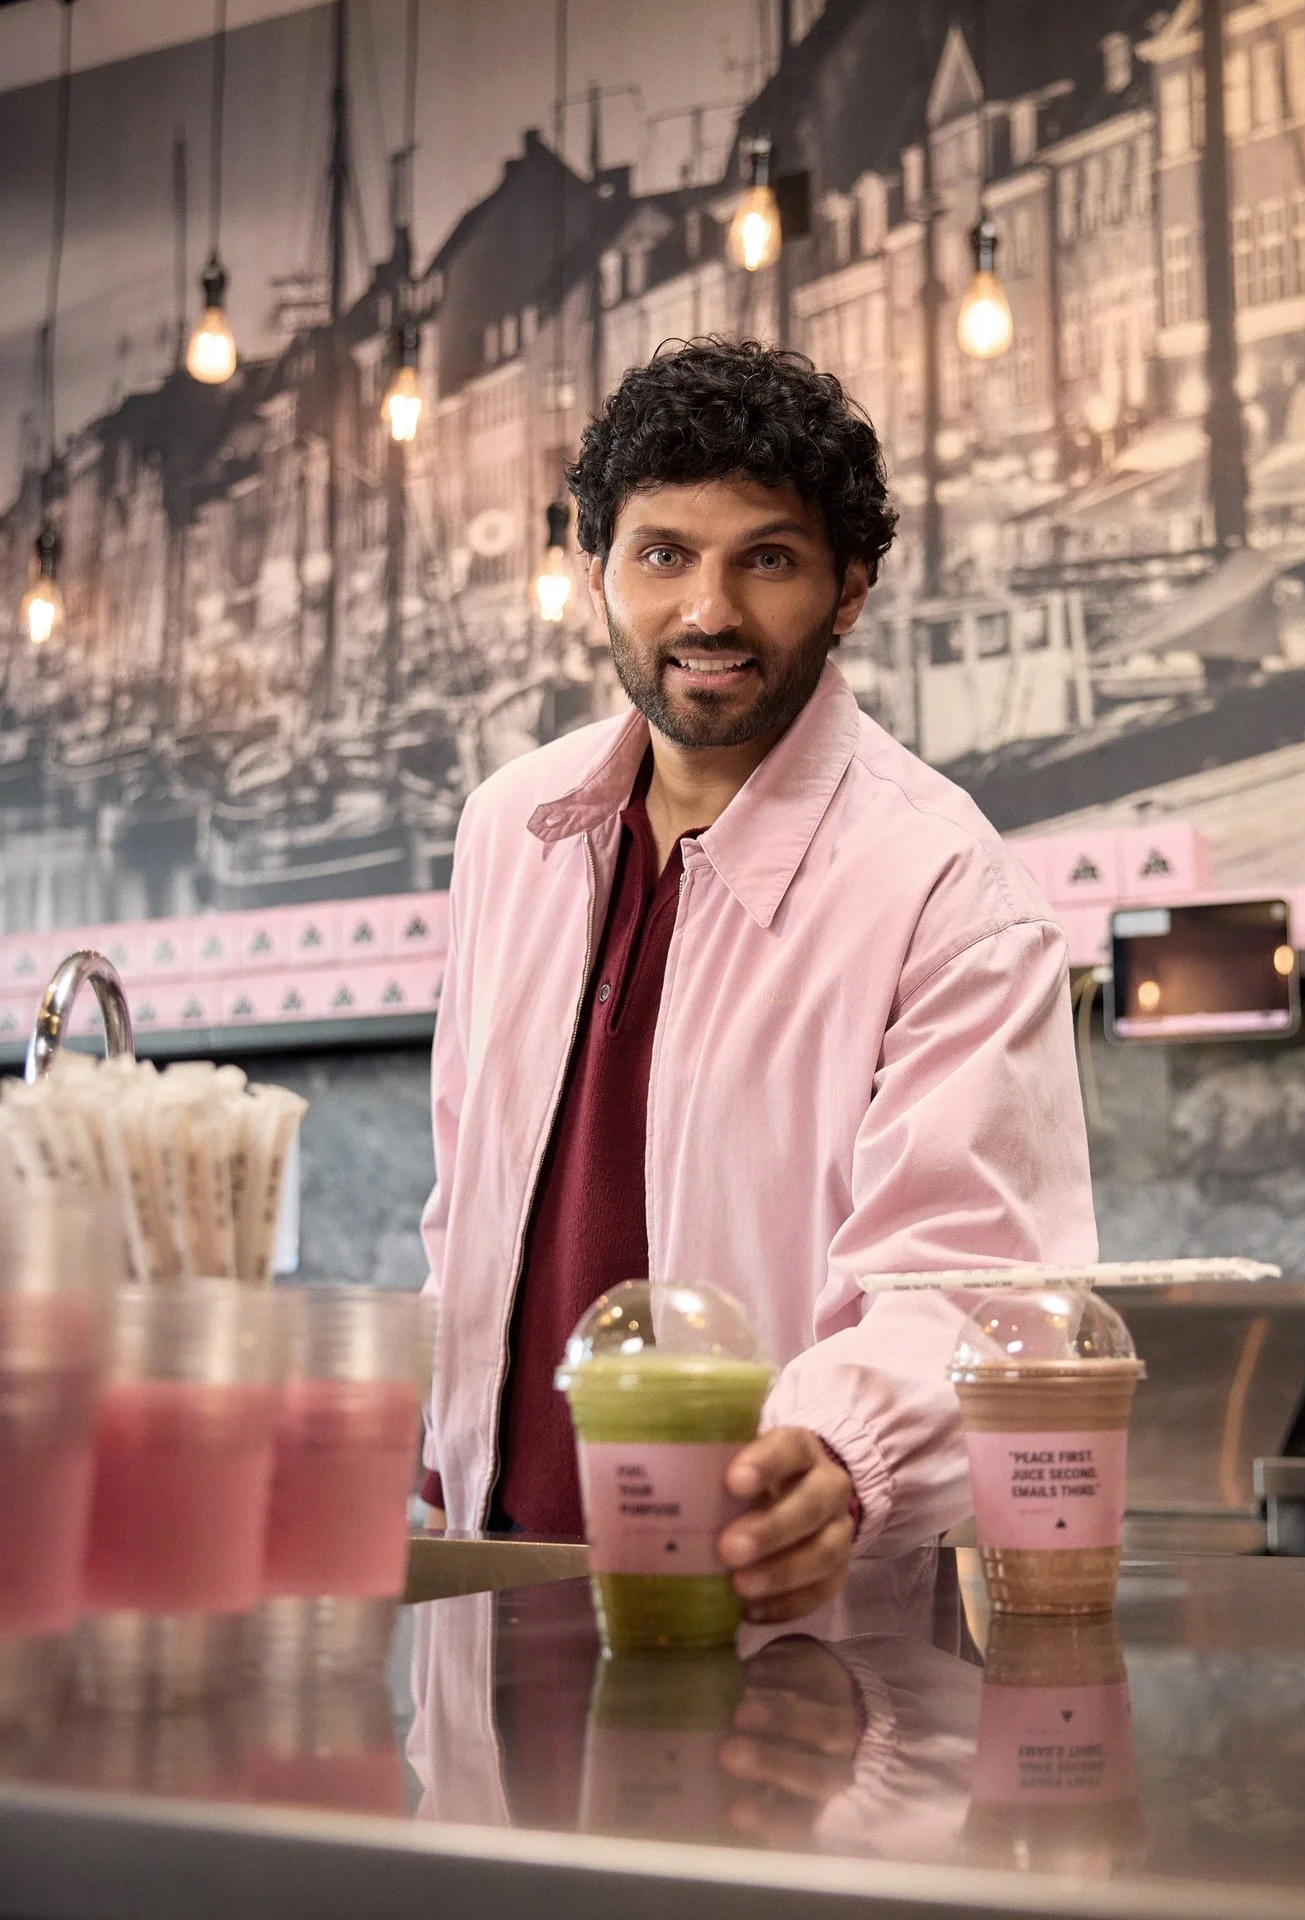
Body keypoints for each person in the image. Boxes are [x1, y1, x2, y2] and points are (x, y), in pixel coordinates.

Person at [420, 338, 1095, 1625]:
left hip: (777, 1612)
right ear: (599, 573)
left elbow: (977, 1290)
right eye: (664, 554)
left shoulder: (946, 888)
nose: (708, 613)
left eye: (767, 559)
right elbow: (467, 1202)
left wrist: (843, 1454)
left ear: (849, 592)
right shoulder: (511, 830)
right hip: (499, 1579)